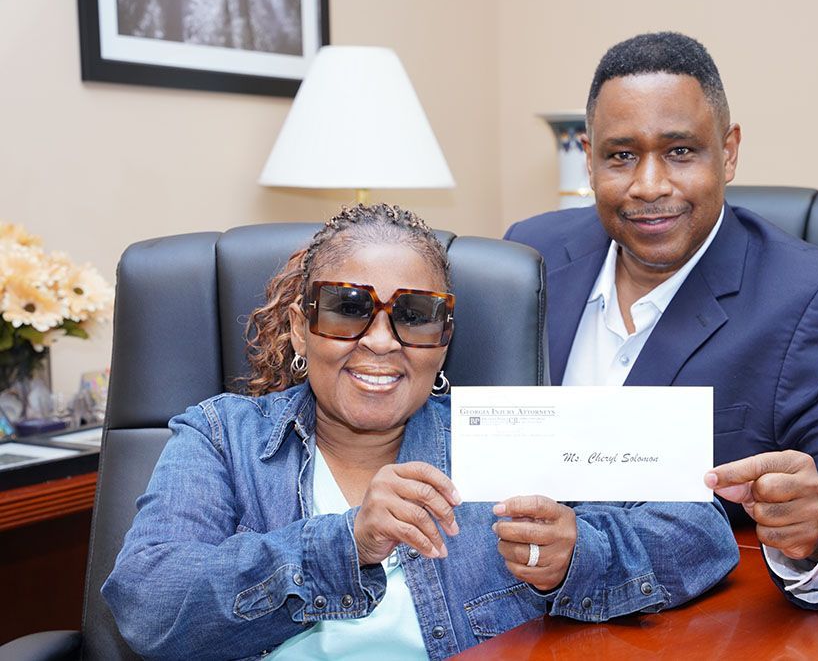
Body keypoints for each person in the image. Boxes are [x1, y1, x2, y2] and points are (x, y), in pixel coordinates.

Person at [102, 203, 738, 660]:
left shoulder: (502, 435)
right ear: (300, 328)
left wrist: (580, 555)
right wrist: (343, 543)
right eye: (348, 309)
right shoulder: (221, 437)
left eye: (415, 316)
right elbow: (148, 608)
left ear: (443, 340)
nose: (380, 341)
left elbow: (703, 531)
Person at [505, 32, 818, 609]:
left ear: (727, 152)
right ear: (589, 154)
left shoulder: (809, 299)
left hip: (672, 623)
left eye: (680, 152)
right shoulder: (530, 255)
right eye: (621, 155)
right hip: (503, 609)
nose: (649, 185)